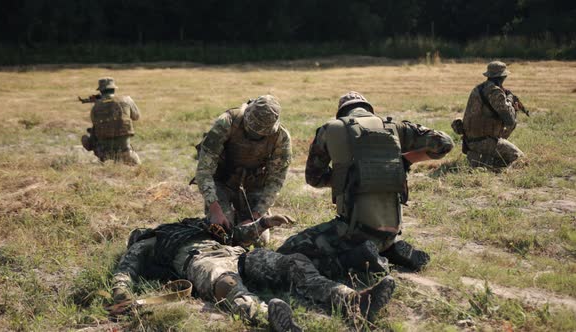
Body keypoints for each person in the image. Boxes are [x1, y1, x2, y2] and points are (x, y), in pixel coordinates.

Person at [278, 91, 454, 279]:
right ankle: (389, 249)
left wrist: (345, 178)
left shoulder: (330, 129)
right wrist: (405, 162)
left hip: (353, 232)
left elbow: (314, 178)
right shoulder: (395, 127)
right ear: (369, 109)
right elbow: (445, 143)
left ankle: (360, 260)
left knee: (289, 249)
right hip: (392, 230)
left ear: (342, 112)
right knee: (378, 240)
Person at [111, 215, 394, 330]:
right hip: (201, 264)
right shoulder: (149, 243)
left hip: (237, 255)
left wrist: (263, 223)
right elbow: (126, 270)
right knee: (228, 285)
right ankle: (269, 317)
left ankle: (352, 300)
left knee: (292, 262)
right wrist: (122, 294)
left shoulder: (193, 225)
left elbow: (235, 234)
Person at [195, 95, 291, 243]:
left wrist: (256, 216)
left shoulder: (281, 137)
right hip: (222, 182)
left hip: (253, 186)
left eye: (261, 133)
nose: (256, 135)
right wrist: (215, 210)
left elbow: (275, 181)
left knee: (259, 238)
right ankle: (225, 215)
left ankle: (241, 217)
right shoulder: (226, 123)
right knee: (222, 232)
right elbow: (204, 171)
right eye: (252, 131)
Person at [451, 61, 524, 169]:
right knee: (520, 159)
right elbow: (510, 120)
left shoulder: (479, 88)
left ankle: (479, 157)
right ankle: (485, 161)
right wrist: (512, 105)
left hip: (470, 140)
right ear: (502, 77)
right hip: (484, 141)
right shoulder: (495, 92)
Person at [81, 77, 141, 165]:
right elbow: (136, 117)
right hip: (126, 150)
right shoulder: (126, 100)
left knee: (87, 136)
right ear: (114, 89)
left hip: (105, 154)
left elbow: (95, 124)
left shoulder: (95, 107)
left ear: (100, 91)